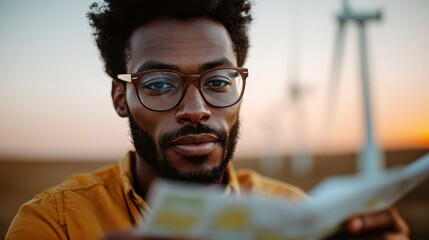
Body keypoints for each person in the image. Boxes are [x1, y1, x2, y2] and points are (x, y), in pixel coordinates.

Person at [6, 0, 409, 239]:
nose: (196, 108)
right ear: (120, 98)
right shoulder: (54, 224)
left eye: (218, 81)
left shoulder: (295, 213)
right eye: (160, 84)